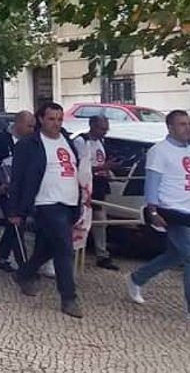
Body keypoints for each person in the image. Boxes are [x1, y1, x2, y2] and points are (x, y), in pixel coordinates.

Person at [8, 102, 84, 318]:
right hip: (46, 203)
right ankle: (68, 297)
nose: (56, 123)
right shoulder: (28, 144)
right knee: (64, 248)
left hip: (69, 202)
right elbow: (18, 178)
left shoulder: (67, 140)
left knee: (47, 248)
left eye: (60, 119)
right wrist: (15, 209)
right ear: (41, 119)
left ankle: (24, 273)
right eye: (51, 119)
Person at [126, 110, 190, 313]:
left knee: (175, 255)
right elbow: (152, 183)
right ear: (170, 127)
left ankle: (137, 277)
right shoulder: (159, 151)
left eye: (188, 123)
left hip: (188, 208)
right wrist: (153, 212)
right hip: (171, 210)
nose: (187, 127)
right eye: (182, 124)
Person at [0, 110, 36, 272]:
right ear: (18, 124)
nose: (32, 130)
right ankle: (24, 265)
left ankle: (1, 257)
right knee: (16, 224)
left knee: (13, 225)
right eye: (29, 126)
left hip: (22, 190)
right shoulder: (0, 141)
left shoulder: (30, 142)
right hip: (5, 190)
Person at [73, 115, 119, 271]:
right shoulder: (81, 141)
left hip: (99, 184)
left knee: (101, 221)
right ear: (92, 125)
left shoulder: (101, 142)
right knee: (81, 219)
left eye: (106, 129)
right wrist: (103, 168)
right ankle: (75, 249)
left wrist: (108, 171)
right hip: (86, 185)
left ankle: (102, 253)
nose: (104, 132)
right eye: (101, 128)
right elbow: (80, 168)